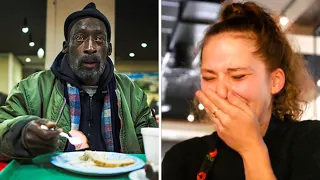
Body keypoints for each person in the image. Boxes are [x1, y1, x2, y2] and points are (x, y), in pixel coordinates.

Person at [162, 2, 320, 180]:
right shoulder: (183, 158)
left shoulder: (309, 142)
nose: (221, 92)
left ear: (275, 82)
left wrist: (251, 148)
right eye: (209, 77)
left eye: (238, 76)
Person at [0, 2, 157, 160]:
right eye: (80, 38)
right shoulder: (33, 88)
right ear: (66, 47)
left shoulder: (132, 92)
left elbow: (151, 147)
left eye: (99, 39)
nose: (90, 47)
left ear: (109, 49)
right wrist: (21, 134)